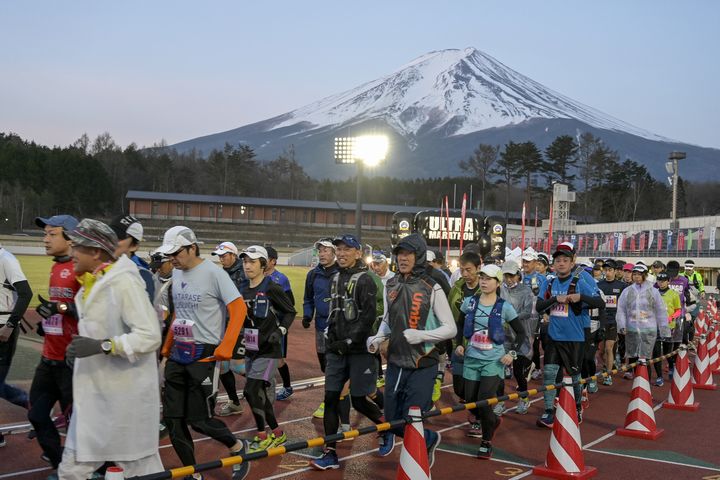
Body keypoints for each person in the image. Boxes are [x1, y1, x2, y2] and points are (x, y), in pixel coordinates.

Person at [58, 219, 163, 479]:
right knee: (72, 470)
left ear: (95, 252)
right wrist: (81, 351)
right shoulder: (92, 283)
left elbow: (150, 336)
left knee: (141, 470)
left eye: (77, 247)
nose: (71, 253)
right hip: (97, 398)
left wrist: (101, 346)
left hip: (126, 400)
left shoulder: (125, 283)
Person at [156, 226, 250, 480]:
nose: (172, 259)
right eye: (169, 254)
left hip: (205, 354)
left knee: (198, 420)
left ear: (192, 248)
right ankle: (192, 474)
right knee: (174, 421)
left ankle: (238, 447)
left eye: (176, 253)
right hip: (178, 353)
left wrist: (227, 346)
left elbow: (239, 308)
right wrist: (167, 346)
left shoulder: (213, 273)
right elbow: (180, 313)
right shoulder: (176, 273)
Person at [366, 233, 455, 463]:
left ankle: (417, 461)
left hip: (423, 361)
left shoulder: (431, 287)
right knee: (393, 421)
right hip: (395, 362)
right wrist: (377, 337)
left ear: (420, 256)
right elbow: (387, 319)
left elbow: (451, 329)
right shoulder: (391, 284)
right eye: (399, 254)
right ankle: (428, 440)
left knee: (412, 416)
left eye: (408, 254)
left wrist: (421, 335)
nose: (403, 258)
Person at [310, 234, 385, 471]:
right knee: (330, 399)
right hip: (337, 350)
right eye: (338, 249)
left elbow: (368, 316)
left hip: (360, 350)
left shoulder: (366, 279)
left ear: (357, 252)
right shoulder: (336, 278)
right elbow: (336, 311)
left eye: (346, 249)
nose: (341, 253)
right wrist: (332, 337)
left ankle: (390, 428)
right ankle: (330, 453)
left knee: (361, 401)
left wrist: (350, 340)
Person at [457, 263, 527, 459]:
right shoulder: (470, 302)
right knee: (471, 401)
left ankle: (486, 442)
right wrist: (459, 344)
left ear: (498, 282)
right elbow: (460, 324)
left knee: (484, 401)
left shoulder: (504, 307)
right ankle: (493, 420)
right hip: (471, 358)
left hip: (493, 361)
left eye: (488, 279)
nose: (484, 282)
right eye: (482, 278)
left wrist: (511, 353)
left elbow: (520, 332)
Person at [27, 214, 80, 471]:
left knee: (78, 425)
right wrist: (46, 324)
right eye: (45, 234)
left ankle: (92, 470)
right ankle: (61, 465)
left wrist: (60, 306)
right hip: (49, 358)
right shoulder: (56, 266)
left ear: (70, 238)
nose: (45, 239)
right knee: (36, 415)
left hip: (72, 363)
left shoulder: (82, 269)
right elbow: (61, 311)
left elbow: (88, 313)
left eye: (52, 234)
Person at [535, 242, 604, 428]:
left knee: (574, 375)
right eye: (558, 260)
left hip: (575, 336)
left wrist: (580, 298)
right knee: (549, 374)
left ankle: (577, 407)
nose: (561, 264)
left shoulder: (581, 280)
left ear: (572, 261)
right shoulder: (549, 283)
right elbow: (539, 306)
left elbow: (600, 302)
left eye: (565, 260)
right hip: (553, 336)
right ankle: (549, 411)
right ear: (553, 263)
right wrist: (553, 299)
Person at [238, 246, 296, 453]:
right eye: (245, 262)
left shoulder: (271, 287)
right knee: (259, 394)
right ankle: (277, 434)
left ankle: (262, 435)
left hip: (269, 350)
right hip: (251, 348)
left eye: (252, 262)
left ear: (263, 264)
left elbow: (290, 312)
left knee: (250, 391)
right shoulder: (243, 289)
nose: (247, 265)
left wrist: (280, 331)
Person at [302, 238, 340, 419]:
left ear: (334, 253)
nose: (322, 254)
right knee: (325, 365)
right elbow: (308, 298)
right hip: (320, 326)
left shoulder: (342, 272)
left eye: (326, 250)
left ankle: (330, 401)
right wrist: (307, 314)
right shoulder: (313, 274)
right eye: (320, 251)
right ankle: (337, 393)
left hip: (338, 327)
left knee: (335, 366)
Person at [0, 240, 33, 448]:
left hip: (3, 329)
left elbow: (26, 293)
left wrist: (10, 326)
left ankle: (34, 405)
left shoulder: (6, 259)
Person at [616, 264, 670, 384]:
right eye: (634, 274)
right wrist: (621, 325)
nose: (636, 277)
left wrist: (664, 330)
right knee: (634, 359)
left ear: (645, 275)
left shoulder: (653, 291)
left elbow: (661, 311)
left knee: (646, 360)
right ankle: (638, 388)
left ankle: (645, 388)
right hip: (632, 330)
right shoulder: (627, 291)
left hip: (649, 331)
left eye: (639, 274)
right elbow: (621, 309)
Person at [211, 241, 246, 417]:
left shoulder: (245, 272)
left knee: (239, 367)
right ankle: (234, 402)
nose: (221, 259)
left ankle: (262, 385)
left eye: (224, 256)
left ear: (233, 255)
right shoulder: (220, 273)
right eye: (220, 256)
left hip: (241, 325)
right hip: (222, 325)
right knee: (223, 365)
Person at [499, 260, 535, 415]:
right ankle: (499, 401)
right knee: (498, 370)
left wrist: (510, 317)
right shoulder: (500, 289)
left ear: (518, 275)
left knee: (518, 372)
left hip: (520, 336)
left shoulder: (526, 291)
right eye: (506, 275)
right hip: (502, 336)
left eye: (511, 275)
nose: (509, 279)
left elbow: (528, 312)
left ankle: (524, 397)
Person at [448, 251, 482, 408]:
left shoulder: (486, 289)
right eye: (462, 270)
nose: (465, 274)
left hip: (479, 347)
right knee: (459, 389)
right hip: (458, 344)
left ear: (478, 268)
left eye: (469, 270)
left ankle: (480, 419)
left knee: (474, 389)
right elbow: (447, 312)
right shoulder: (456, 288)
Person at [264, 246, 295, 401]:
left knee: (278, 359)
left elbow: (291, 303)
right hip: (261, 326)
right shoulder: (257, 276)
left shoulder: (280, 279)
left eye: (265, 258)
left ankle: (287, 387)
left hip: (276, 325)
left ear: (273, 261)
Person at [109, 214, 155, 300]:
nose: (111, 242)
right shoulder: (98, 268)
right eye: (109, 236)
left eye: (118, 238)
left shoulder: (142, 276)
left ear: (134, 246)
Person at [597, 260, 625, 385]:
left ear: (615, 271)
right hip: (600, 321)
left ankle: (608, 374)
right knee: (601, 351)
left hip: (614, 321)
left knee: (609, 348)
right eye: (605, 270)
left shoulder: (622, 286)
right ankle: (606, 367)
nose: (607, 273)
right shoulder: (598, 285)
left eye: (610, 270)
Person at [654, 271, 681, 386]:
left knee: (667, 352)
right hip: (654, 326)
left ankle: (671, 366)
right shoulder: (653, 293)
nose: (661, 283)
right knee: (656, 353)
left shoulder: (674, 294)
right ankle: (659, 377)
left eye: (663, 281)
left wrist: (671, 318)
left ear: (668, 281)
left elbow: (678, 310)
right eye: (659, 280)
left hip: (668, 327)